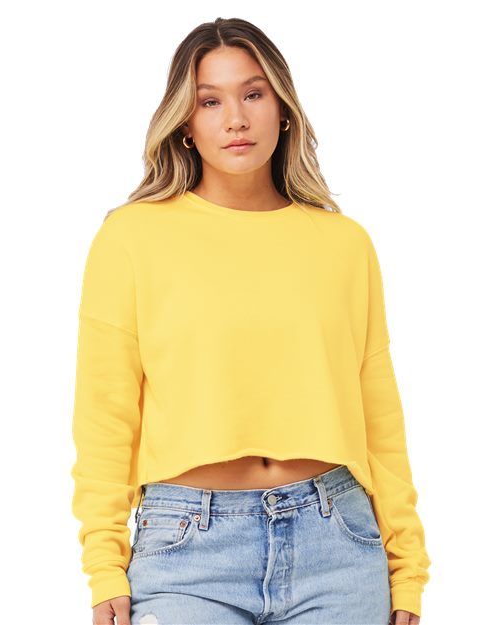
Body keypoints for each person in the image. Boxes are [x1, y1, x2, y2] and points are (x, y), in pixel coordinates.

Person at [70, 17, 431, 625]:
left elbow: (379, 416)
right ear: (185, 123)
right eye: (210, 101)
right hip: (187, 550)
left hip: (338, 547)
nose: (235, 118)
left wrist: (408, 569)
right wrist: (103, 563)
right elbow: (105, 413)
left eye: (253, 94)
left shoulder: (344, 244)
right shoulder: (131, 238)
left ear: (282, 109)